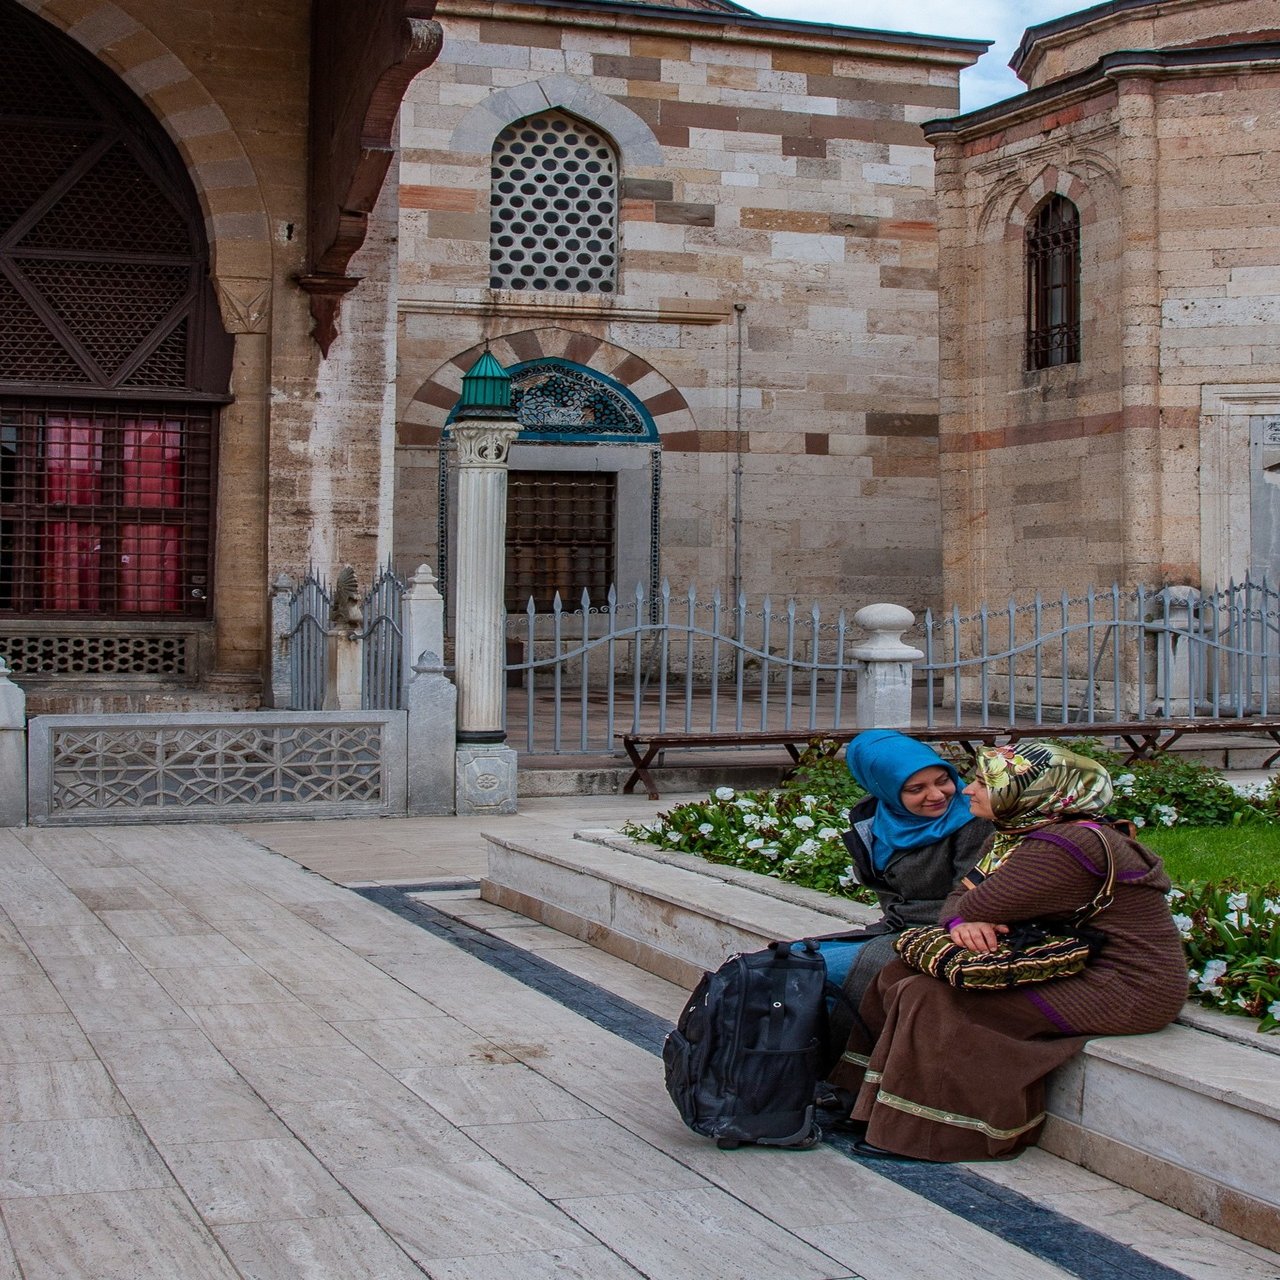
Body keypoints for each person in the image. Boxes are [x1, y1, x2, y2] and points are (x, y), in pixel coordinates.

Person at [827, 741, 1187, 1162]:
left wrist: (968, 914)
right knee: (896, 975)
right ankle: (868, 1106)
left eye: (983, 782)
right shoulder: (1019, 833)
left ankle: (934, 1134)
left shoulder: (1062, 846)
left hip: (1127, 988)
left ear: (1028, 792)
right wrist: (964, 919)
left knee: (933, 997)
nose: (966, 791)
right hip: (1080, 965)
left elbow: (975, 902)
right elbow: (955, 903)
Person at [821, 730, 994, 1015]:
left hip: (939, 935)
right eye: (916, 789)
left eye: (944, 780)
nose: (937, 795)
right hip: (891, 928)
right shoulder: (870, 816)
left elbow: (969, 899)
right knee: (784, 960)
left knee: (810, 975)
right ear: (884, 787)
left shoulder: (972, 820)